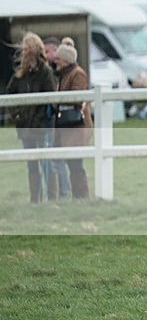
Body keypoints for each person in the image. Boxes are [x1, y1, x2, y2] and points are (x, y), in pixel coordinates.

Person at [2, 32, 58, 203]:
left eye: (26, 48)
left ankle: (52, 197)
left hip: (41, 126)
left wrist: (41, 117)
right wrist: (17, 114)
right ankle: (35, 198)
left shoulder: (45, 72)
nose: (23, 51)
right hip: (25, 126)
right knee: (31, 165)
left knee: (46, 163)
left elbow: (52, 98)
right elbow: (9, 94)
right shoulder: (20, 75)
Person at [53, 38, 92, 198]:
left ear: (66, 60)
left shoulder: (77, 74)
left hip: (76, 125)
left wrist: (57, 99)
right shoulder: (65, 74)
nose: (56, 61)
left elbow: (77, 98)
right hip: (68, 125)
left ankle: (81, 195)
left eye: (58, 58)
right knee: (72, 163)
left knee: (76, 164)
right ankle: (77, 195)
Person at [42, 35, 68, 198]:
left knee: (57, 159)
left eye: (46, 51)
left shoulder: (54, 72)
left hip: (55, 121)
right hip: (52, 120)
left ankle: (62, 192)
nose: (44, 55)